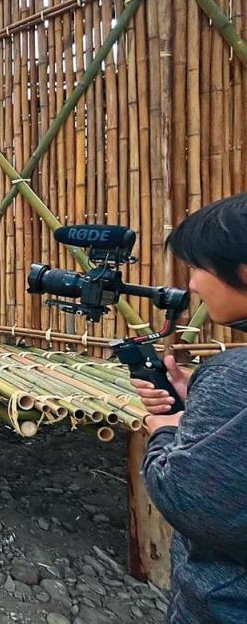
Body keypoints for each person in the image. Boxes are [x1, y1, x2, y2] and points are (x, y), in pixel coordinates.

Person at [129, 192, 247, 623]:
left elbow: (188, 497)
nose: (192, 283)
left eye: (198, 267)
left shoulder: (235, 374)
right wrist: (201, 405)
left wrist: (163, 427)